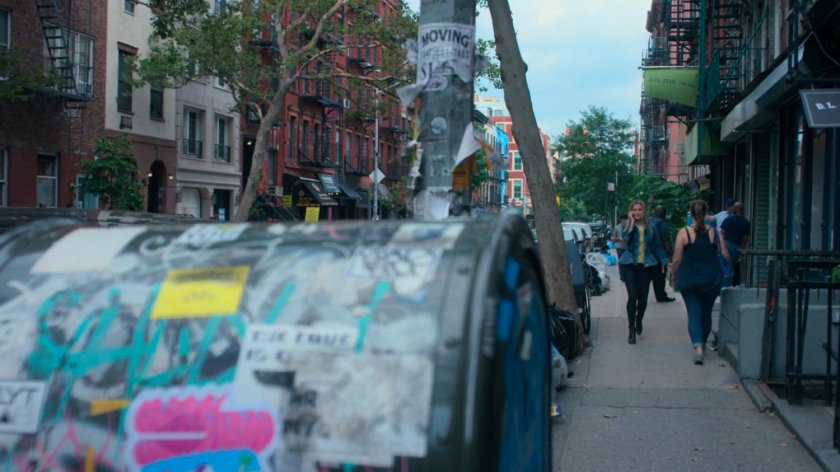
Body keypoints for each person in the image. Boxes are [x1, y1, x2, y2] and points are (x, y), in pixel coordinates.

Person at [670, 200, 730, 365]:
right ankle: (703, 342)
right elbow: (725, 255)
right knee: (706, 312)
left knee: (694, 313)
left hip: (689, 279)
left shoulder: (684, 233)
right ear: (706, 213)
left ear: (691, 213)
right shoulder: (715, 232)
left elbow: (677, 259)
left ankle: (698, 348)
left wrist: (674, 275)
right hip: (711, 279)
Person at [617, 200, 670, 345]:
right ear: (631, 212)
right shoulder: (628, 226)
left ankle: (639, 319)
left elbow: (658, 246)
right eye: (634, 210)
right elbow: (626, 241)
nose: (637, 212)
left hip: (646, 266)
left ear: (644, 211)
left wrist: (665, 260)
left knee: (643, 299)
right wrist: (632, 224)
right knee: (632, 296)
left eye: (640, 209)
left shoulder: (651, 227)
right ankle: (631, 329)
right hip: (629, 265)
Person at [719, 201, 750, 286]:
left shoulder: (728, 219)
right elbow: (745, 238)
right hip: (737, 246)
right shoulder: (745, 222)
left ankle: (724, 286)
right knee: (731, 266)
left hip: (726, 244)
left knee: (724, 266)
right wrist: (742, 248)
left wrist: (721, 245)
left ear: (734, 209)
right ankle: (728, 285)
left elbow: (722, 232)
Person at [650, 205, 675, 302]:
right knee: (660, 277)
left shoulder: (649, 221)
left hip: (649, 255)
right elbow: (666, 240)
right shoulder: (662, 224)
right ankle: (661, 296)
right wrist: (670, 251)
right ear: (663, 213)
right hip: (660, 256)